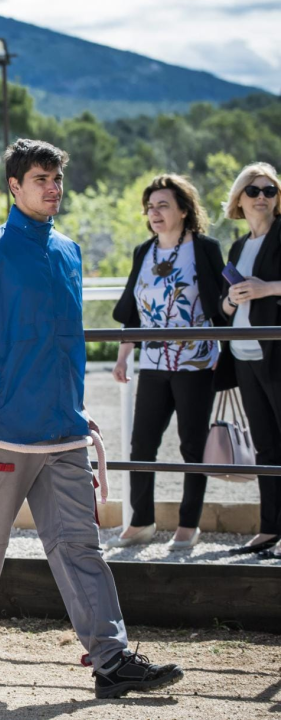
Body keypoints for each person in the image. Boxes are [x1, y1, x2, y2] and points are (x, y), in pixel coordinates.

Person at [0, 139, 183, 699]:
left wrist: (80, 413)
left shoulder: (69, 251)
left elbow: (63, 342)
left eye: (57, 179)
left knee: (80, 548)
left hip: (64, 432)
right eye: (41, 178)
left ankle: (111, 660)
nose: (53, 188)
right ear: (13, 187)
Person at [108, 174, 229, 550]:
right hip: (155, 361)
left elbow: (220, 300)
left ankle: (188, 525)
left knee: (192, 446)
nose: (154, 213)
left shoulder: (205, 249)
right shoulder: (144, 251)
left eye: (163, 205)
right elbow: (133, 309)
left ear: (183, 209)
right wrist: (124, 354)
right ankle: (141, 522)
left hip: (197, 362)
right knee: (141, 444)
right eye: (150, 207)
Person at [219, 162, 281, 558]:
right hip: (244, 355)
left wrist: (266, 289)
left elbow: (262, 290)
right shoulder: (239, 246)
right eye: (253, 190)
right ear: (239, 199)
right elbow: (224, 304)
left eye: (270, 190)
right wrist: (230, 300)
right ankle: (270, 527)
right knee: (266, 448)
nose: (262, 197)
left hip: (276, 352)